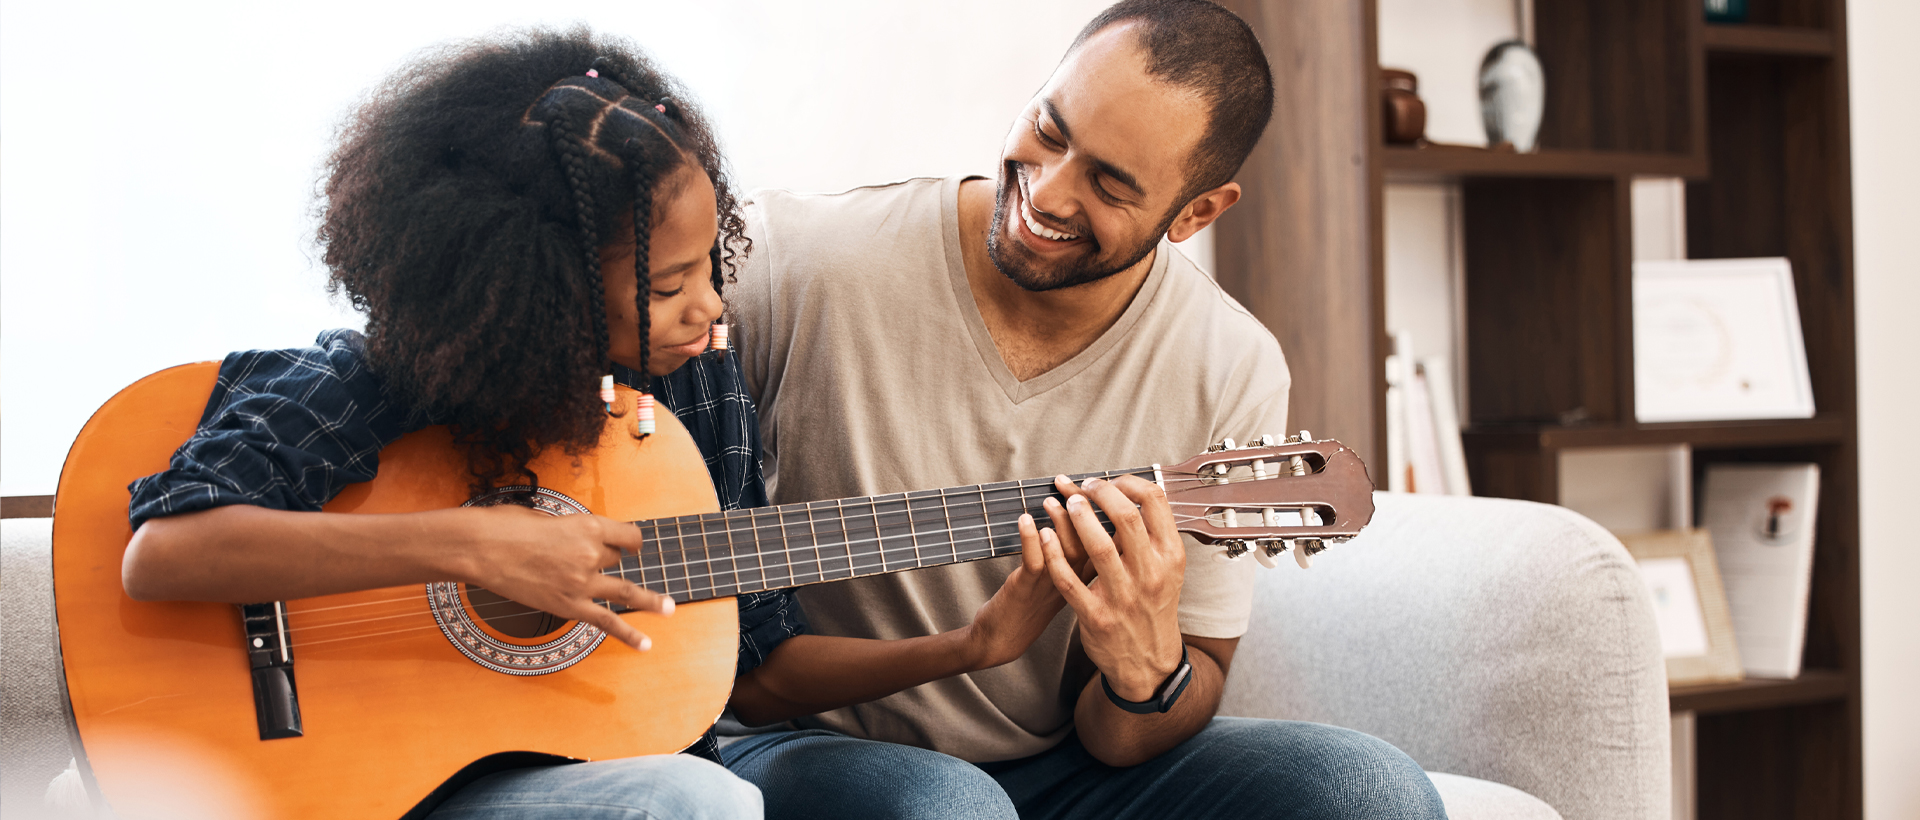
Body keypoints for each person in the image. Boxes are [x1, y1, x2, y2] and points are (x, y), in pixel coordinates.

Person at [720, 2, 1448, 818]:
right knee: (949, 807)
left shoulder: (1230, 365)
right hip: (799, 740)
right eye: (1049, 129)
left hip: (1054, 765)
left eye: (1110, 183)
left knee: (1368, 791)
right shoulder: (796, 262)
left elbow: (1122, 739)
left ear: (1195, 213)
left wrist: (1146, 674)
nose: (1050, 192)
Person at [119, 27, 775, 820]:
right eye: (668, 286)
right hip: (359, 779)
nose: (708, 307)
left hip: (571, 767)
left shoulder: (689, 388)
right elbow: (162, 553)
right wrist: (475, 546)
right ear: (541, 292)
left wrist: (954, 652)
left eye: (707, 264)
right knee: (697, 804)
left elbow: (739, 662)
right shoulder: (377, 386)